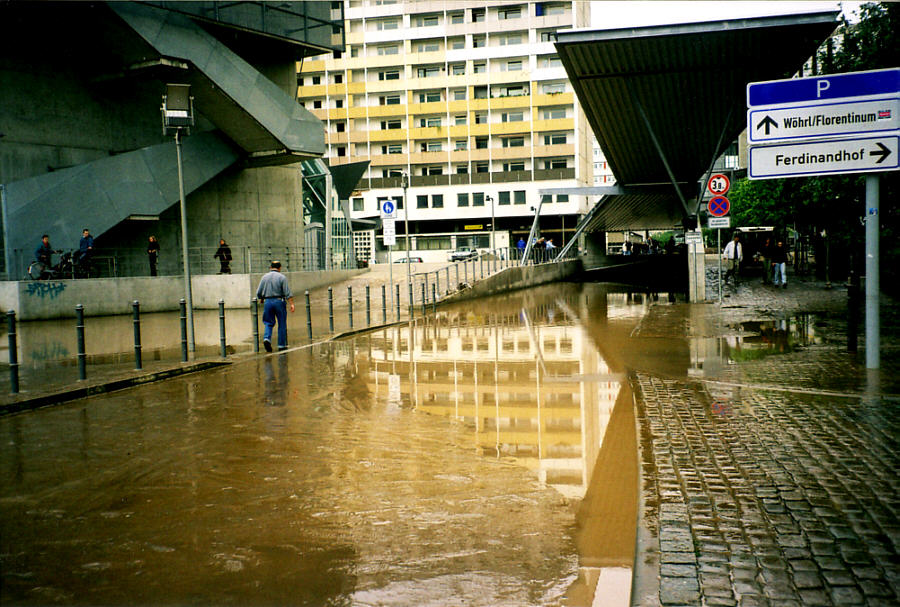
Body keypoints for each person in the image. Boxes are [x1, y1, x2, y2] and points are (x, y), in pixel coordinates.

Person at [256, 260, 295, 352]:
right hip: (279, 301)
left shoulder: (264, 277)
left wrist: (261, 298)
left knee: (268, 322)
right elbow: (287, 292)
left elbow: (258, 292)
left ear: (271, 267)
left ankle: (267, 338)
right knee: (281, 323)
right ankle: (281, 345)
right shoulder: (282, 277)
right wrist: (292, 304)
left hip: (268, 302)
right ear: (280, 268)